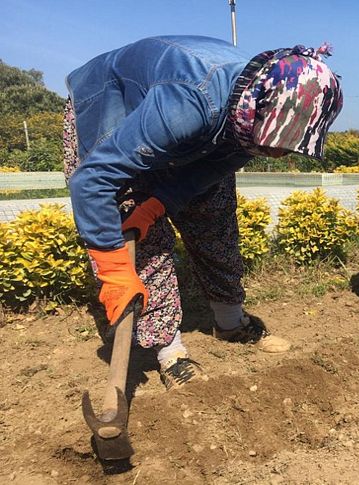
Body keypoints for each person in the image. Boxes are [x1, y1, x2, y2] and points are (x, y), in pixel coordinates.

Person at [62, 35, 343, 389]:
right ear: (255, 111)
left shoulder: (250, 117)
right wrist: (114, 269)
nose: (277, 156)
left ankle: (229, 321)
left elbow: (210, 171)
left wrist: (159, 204)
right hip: (114, 106)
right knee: (140, 240)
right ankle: (170, 352)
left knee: (215, 214)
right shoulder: (190, 101)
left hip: (200, 117)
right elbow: (93, 180)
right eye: (273, 145)